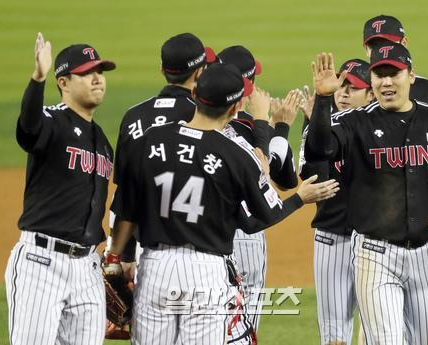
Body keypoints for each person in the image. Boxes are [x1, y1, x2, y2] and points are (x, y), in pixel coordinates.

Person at [107, 63, 339, 345]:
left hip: (155, 266)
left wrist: (115, 259)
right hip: (206, 272)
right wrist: (300, 197)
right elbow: (265, 215)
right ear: (235, 108)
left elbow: (126, 209)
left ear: (194, 94)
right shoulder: (236, 154)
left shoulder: (149, 142)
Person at [305, 45, 428, 345]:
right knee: (385, 339)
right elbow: (318, 149)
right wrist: (323, 100)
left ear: (411, 76)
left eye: (393, 74)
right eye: (379, 74)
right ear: (372, 81)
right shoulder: (354, 122)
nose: (386, 82)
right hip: (375, 256)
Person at [4, 33, 116, 345]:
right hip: (42, 262)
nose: (97, 79)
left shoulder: (104, 143)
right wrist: (38, 78)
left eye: (100, 72)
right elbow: (28, 129)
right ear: (64, 82)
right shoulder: (51, 121)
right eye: (87, 73)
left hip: (87, 269)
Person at [107, 32, 216, 278]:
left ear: (162, 69)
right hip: (197, 254)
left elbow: (126, 194)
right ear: (200, 72)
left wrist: (123, 256)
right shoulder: (204, 117)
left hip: (140, 250)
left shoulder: (132, 117)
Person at [217, 45, 300, 341]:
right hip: (246, 234)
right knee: (244, 324)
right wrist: (274, 124)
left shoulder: (197, 119)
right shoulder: (250, 128)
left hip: (206, 234)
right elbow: (278, 177)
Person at [299, 58, 373, 345]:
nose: (343, 92)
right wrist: (314, 120)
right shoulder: (320, 129)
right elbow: (310, 177)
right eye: (341, 85)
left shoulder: (384, 131)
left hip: (374, 241)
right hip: (333, 238)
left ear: (370, 94)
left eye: (353, 88)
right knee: (334, 333)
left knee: (380, 329)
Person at [363, 14, 428, 104]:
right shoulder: (352, 95)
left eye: (389, 43)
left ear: (404, 43)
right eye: (375, 45)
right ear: (366, 50)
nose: (382, 50)